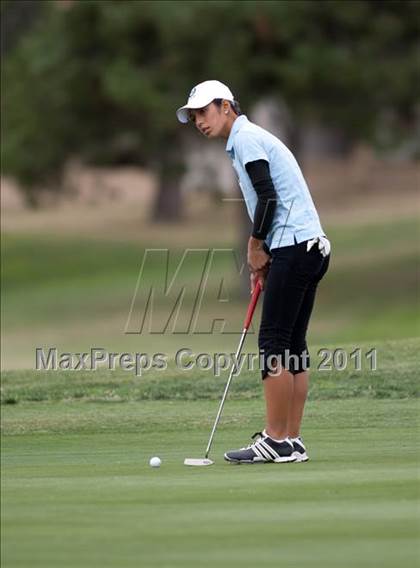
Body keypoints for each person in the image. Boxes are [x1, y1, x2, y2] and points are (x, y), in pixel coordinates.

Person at [176, 80, 331, 464]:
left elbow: (268, 196)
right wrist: (268, 253)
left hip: (294, 244)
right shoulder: (249, 138)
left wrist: (255, 244)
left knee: (273, 343)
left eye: (204, 111)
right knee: (293, 346)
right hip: (309, 246)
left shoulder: (245, 138)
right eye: (194, 116)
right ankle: (291, 441)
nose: (199, 121)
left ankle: (275, 439)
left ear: (226, 106)